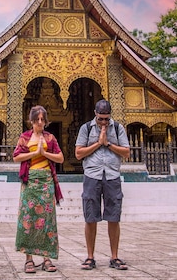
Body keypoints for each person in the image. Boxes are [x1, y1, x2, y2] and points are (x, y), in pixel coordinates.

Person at [75, 99, 130, 271]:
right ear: (95, 114)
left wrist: (108, 143)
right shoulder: (86, 128)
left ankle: (114, 257)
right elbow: (78, 153)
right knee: (91, 216)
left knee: (114, 217)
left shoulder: (118, 128)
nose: (104, 122)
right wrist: (98, 143)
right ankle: (90, 257)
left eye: (106, 119)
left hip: (112, 175)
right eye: (101, 119)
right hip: (92, 175)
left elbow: (126, 152)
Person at [13, 105, 64, 274]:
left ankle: (47, 258)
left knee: (47, 221)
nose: (40, 123)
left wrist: (45, 153)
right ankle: (29, 259)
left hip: (46, 181)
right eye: (37, 120)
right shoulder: (25, 137)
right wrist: (35, 154)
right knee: (29, 219)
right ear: (32, 121)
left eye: (43, 120)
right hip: (30, 182)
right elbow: (16, 157)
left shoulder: (50, 138)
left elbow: (60, 158)